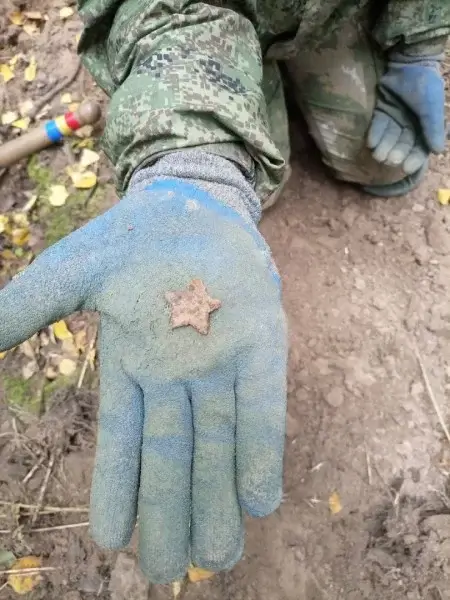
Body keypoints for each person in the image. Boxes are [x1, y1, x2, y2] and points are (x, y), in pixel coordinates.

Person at [0, 0, 448, 585]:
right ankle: (248, 89)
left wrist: (420, 43)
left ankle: (299, 68)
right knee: (257, 183)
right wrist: (197, 166)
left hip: (339, 13)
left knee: (385, 165)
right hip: (195, 25)